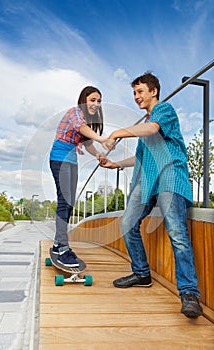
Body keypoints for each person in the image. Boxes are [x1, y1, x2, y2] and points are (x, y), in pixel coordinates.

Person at [100, 72, 203, 318]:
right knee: (127, 224)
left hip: (169, 177)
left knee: (177, 233)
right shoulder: (144, 127)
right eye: (134, 93)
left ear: (153, 91)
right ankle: (142, 273)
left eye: (140, 92)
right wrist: (114, 165)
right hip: (147, 181)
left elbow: (152, 128)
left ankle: (189, 293)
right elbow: (140, 157)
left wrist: (116, 133)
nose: (136, 97)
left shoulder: (163, 110)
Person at [50, 86, 110, 267]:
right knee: (64, 201)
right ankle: (62, 248)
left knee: (69, 203)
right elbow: (80, 127)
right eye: (92, 100)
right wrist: (103, 139)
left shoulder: (87, 122)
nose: (96, 104)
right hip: (59, 159)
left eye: (99, 101)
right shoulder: (75, 113)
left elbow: (88, 144)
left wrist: (99, 154)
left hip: (72, 162)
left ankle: (56, 245)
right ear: (84, 100)